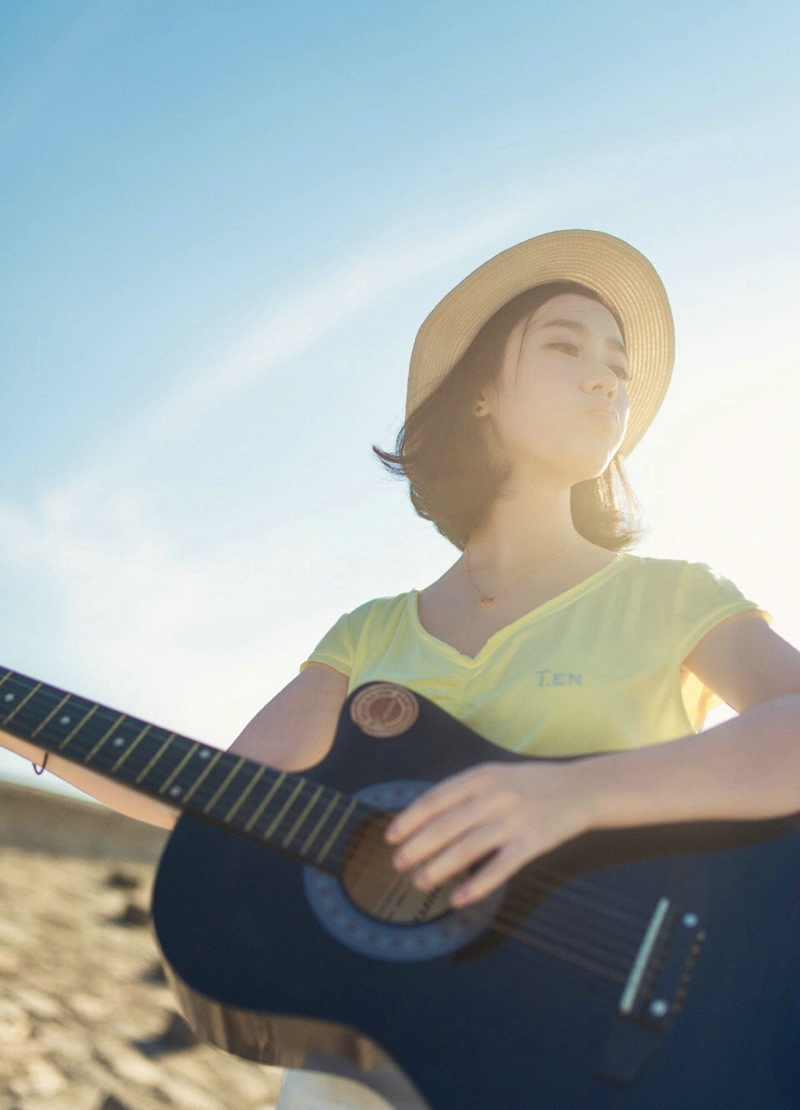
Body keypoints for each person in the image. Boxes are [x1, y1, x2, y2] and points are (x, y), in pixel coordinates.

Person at [5, 230, 800, 1110]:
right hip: (380, 1064)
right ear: (481, 394)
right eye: (565, 347)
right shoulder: (369, 633)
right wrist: (25, 725)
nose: (607, 379)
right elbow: (220, 800)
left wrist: (574, 793)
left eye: (617, 364)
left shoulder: (673, 596)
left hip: (603, 1059)